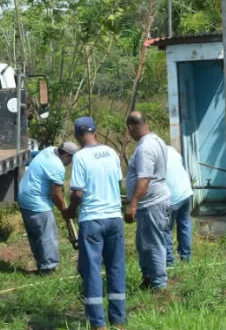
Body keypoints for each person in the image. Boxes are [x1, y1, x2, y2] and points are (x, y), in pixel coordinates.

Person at [64, 116, 125, 330]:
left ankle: (99, 324)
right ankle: (118, 321)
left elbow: (78, 193)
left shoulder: (80, 157)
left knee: (91, 270)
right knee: (116, 268)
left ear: (77, 136)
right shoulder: (111, 153)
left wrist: (69, 211)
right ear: (95, 132)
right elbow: (118, 182)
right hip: (114, 218)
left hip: (92, 220)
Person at [124, 111, 172, 290]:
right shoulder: (156, 140)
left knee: (152, 244)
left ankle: (159, 284)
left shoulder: (145, 148)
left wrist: (132, 204)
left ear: (130, 128)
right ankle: (148, 279)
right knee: (145, 244)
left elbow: (144, 179)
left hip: (152, 204)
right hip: (153, 202)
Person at [17, 141, 80, 274]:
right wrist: (65, 211)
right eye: (72, 159)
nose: (71, 163)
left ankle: (41, 265)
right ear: (67, 155)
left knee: (36, 235)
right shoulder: (57, 166)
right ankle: (48, 269)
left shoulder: (50, 150)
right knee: (47, 236)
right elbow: (56, 195)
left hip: (24, 198)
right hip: (37, 202)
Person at [164, 144, 194, 264]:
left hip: (172, 197)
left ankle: (169, 261)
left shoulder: (153, 154)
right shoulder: (171, 150)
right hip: (186, 192)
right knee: (185, 224)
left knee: (166, 229)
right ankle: (186, 257)